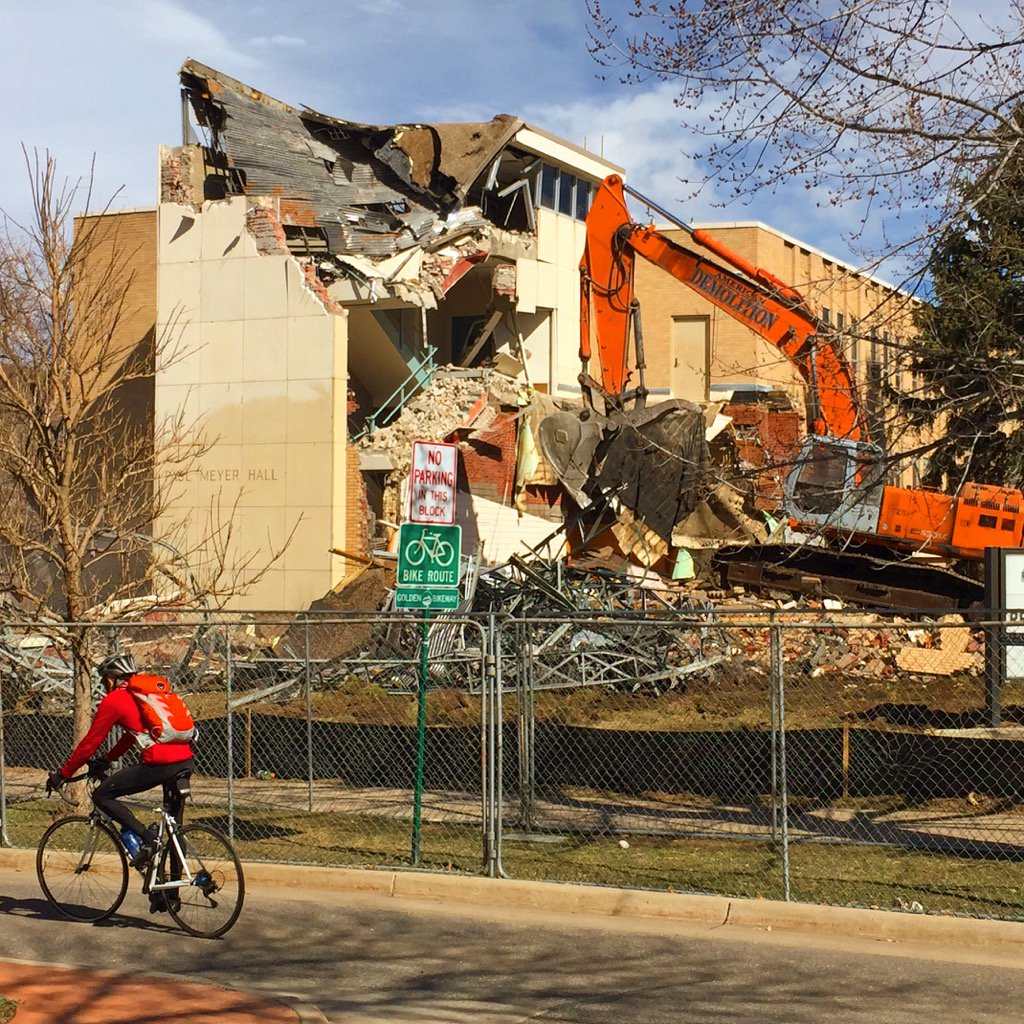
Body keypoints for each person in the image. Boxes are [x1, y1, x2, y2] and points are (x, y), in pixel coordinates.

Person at [47, 652, 194, 910]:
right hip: (185, 761)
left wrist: (64, 774)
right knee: (174, 826)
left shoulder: (115, 700)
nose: (105, 685)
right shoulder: (145, 696)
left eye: (105, 680)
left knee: (102, 796)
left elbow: (89, 743)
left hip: (159, 765)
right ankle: (170, 894)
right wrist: (108, 759)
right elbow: (132, 736)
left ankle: (146, 839)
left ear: (113, 680)